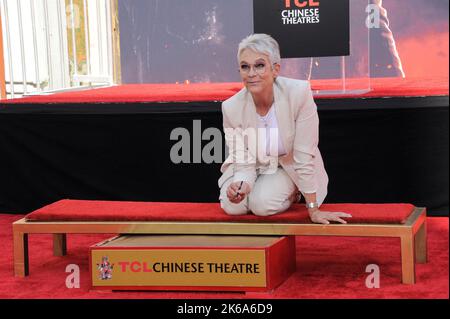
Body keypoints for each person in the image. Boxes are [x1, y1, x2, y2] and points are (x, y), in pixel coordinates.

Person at [218, 33, 352, 224]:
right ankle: (253, 192)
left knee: (261, 206)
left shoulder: (298, 94)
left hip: (289, 166)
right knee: (233, 206)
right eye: (245, 67)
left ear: (275, 69)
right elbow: (243, 162)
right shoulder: (231, 107)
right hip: (254, 166)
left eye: (259, 65)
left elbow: (304, 156)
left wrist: (313, 210)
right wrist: (242, 185)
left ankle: (293, 192)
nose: (251, 73)